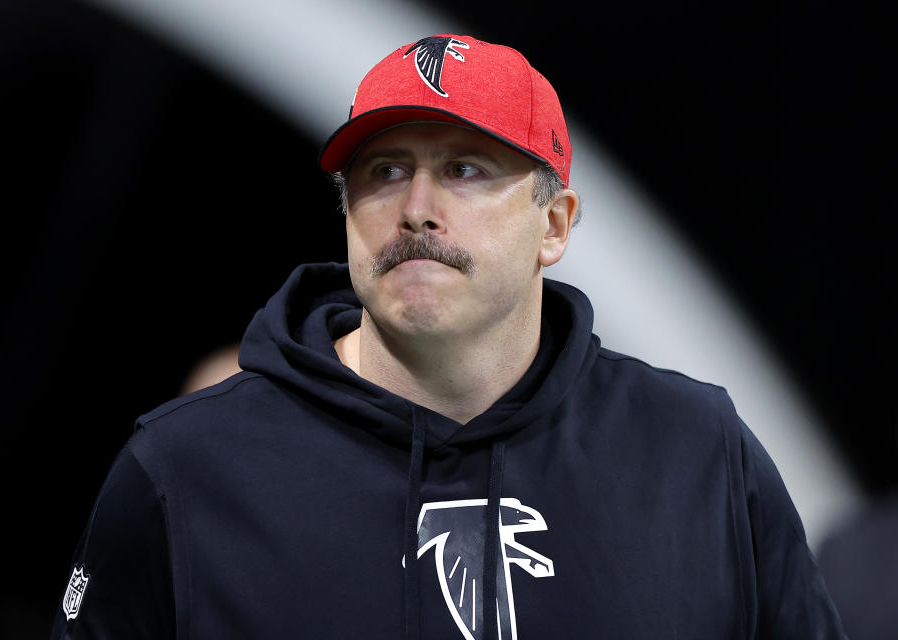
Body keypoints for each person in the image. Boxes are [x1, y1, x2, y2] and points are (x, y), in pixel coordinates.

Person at [51, 34, 846, 639]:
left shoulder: (699, 454)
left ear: (556, 224)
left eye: (465, 169)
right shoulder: (186, 469)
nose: (416, 207)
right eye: (384, 170)